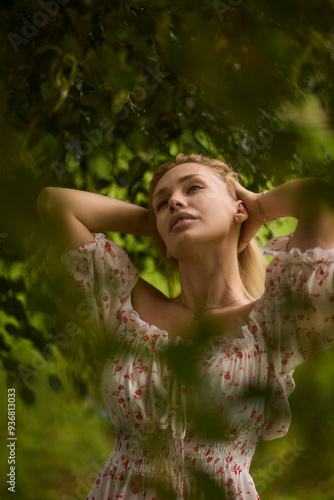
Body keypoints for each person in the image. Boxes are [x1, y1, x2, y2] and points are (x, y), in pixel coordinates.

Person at [37, 153, 334, 499]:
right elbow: (56, 204)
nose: (176, 201)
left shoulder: (272, 325)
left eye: (193, 187)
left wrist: (257, 206)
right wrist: (159, 225)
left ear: (238, 209)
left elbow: (319, 200)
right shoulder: (127, 309)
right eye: (162, 203)